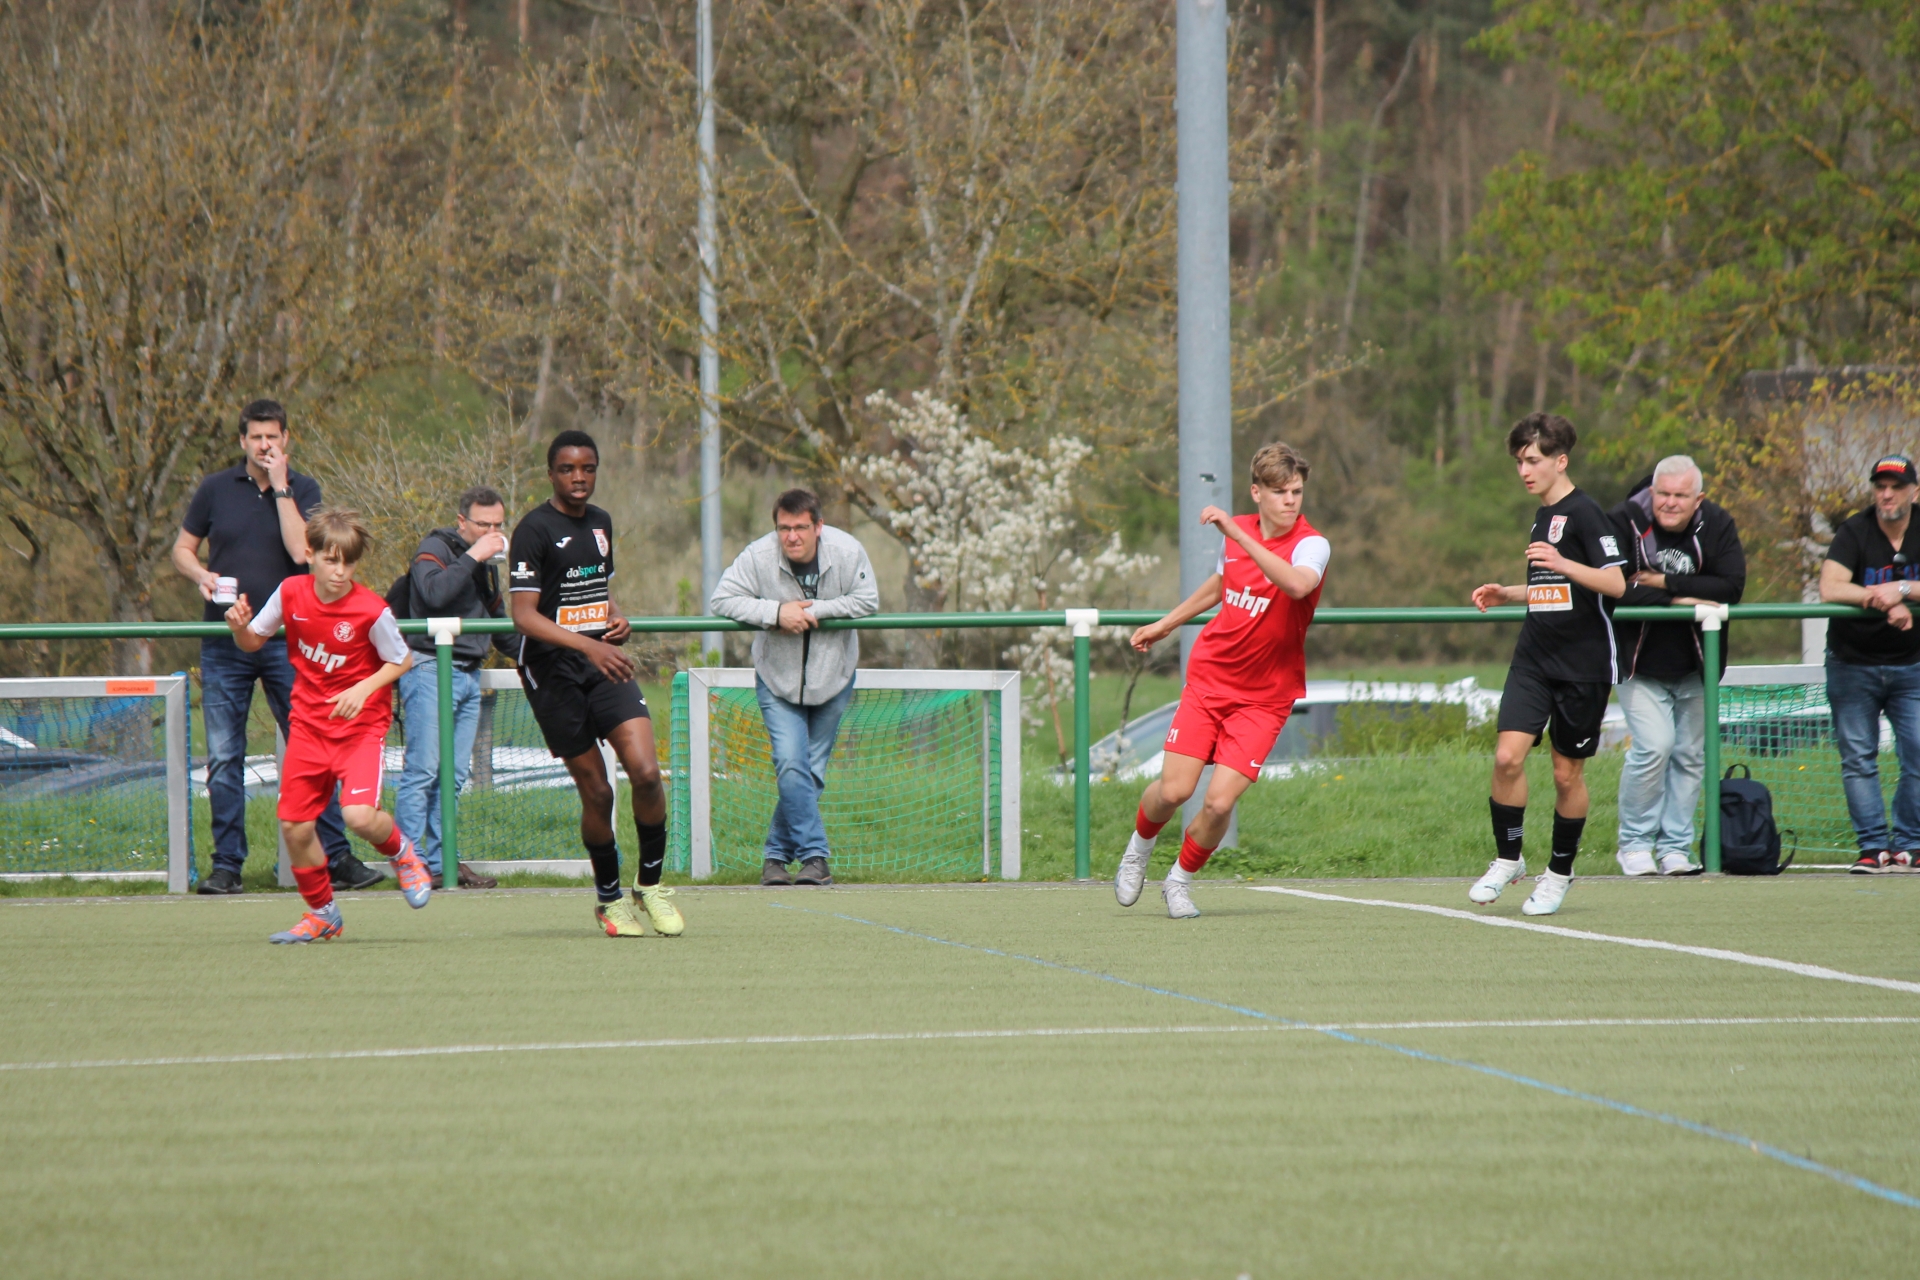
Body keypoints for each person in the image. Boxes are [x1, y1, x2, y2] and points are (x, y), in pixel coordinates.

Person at [173, 399, 380, 895]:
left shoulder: (304, 489)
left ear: (286, 439)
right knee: (224, 756)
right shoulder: (214, 489)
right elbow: (182, 548)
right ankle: (227, 867)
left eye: (273, 437)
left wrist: (283, 486)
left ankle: (337, 859)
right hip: (228, 640)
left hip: (293, 639)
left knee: (320, 746)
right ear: (242, 441)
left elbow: (299, 552)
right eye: (256, 437)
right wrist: (201, 574)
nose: (265, 445)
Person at [1114, 443, 1329, 919]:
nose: (1291, 500)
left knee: (1218, 803)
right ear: (1257, 492)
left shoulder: (1312, 544)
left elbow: (1296, 585)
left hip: (1266, 698)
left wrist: (1236, 531)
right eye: (1279, 492)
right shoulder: (1238, 536)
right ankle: (1138, 849)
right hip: (1211, 680)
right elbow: (1220, 584)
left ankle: (1179, 881)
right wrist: (1166, 624)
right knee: (1173, 792)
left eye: (1296, 491)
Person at [221, 509, 434, 943]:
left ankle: (403, 853)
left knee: (357, 816)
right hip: (309, 727)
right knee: (295, 828)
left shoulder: (371, 610)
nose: (340, 572)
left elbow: (402, 659)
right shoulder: (289, 592)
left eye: (349, 563)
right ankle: (323, 914)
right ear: (309, 554)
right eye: (331, 560)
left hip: (360, 729)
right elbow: (252, 642)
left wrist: (363, 688)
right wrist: (239, 629)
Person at [508, 430, 684, 937]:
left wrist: (617, 618)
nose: (578, 477)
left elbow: (593, 591)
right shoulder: (533, 530)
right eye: (568, 469)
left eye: (587, 468)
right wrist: (588, 645)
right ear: (551, 474)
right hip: (552, 671)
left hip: (603, 663)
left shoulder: (602, 523)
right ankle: (609, 900)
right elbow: (523, 616)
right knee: (598, 791)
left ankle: (648, 886)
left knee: (648, 773)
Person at [1468, 412, 1627, 916]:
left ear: (1561, 461)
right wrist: (1509, 592)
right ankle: (1508, 858)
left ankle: (1559, 872)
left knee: (1565, 776)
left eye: (1533, 460)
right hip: (1534, 656)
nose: (1524, 470)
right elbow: (1553, 590)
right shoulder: (1542, 513)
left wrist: (1562, 562)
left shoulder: (1587, 513)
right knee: (1507, 758)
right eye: (1519, 461)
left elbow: (1617, 583)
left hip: (1583, 665)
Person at [710, 488, 881, 885]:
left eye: (801, 527)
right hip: (777, 681)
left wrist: (818, 610)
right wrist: (775, 613)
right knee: (790, 763)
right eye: (784, 528)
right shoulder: (758, 555)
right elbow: (723, 599)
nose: (792, 536)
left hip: (834, 677)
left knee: (811, 771)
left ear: (818, 527)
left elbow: (868, 600)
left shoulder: (848, 550)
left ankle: (775, 858)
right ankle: (815, 857)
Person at [1608, 455, 1746, 877]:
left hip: (1697, 665)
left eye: (1680, 496)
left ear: (1698, 498)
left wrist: (1664, 582)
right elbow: (1616, 588)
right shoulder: (1622, 521)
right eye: (1662, 494)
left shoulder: (1719, 524)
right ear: (1652, 491)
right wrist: (1684, 600)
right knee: (1654, 747)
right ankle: (1633, 844)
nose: (1669, 503)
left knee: (1689, 755)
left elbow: (1730, 587)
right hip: (1639, 665)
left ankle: (1674, 849)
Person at [394, 486, 521, 889]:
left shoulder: (485, 565)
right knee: (422, 771)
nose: (493, 532)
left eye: (499, 525)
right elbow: (433, 595)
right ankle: (409, 864)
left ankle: (440, 864)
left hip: (467, 675)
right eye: (484, 524)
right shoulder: (435, 547)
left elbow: (500, 623)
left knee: (453, 777)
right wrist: (474, 556)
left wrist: (546, 656)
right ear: (462, 521)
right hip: (431, 669)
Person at [1817, 454, 1920, 874]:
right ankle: (1873, 846)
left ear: (1914, 491)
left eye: (1896, 487)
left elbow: (1900, 588)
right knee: (1858, 757)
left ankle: (1910, 843)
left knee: (1918, 753)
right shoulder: (1854, 530)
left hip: (1912, 665)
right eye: (1880, 486)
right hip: (1852, 663)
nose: (1887, 494)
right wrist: (1878, 599)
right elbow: (1829, 587)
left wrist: (1902, 589)